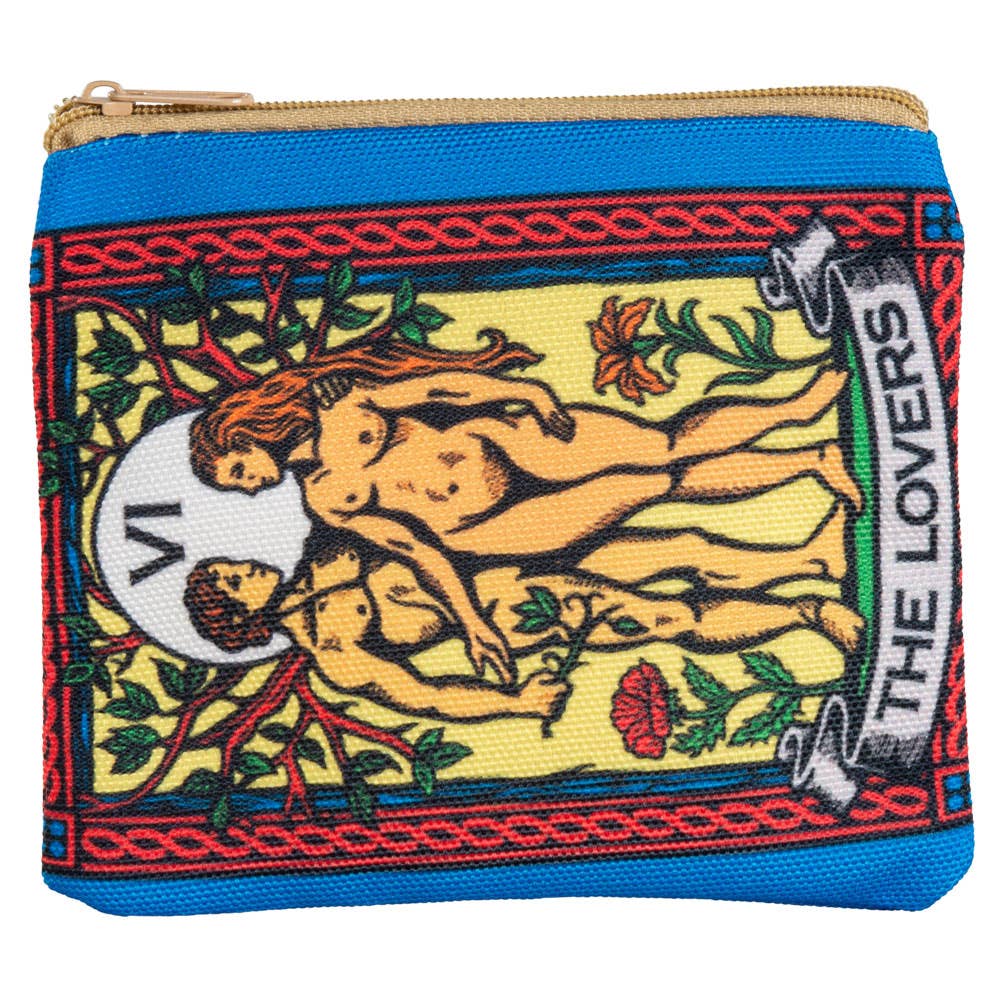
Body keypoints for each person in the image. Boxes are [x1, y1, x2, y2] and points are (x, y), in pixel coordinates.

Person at [189, 332, 860, 679]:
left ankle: (796, 412)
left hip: (501, 442)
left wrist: (519, 391)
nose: (249, 485)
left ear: (247, 432)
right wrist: (471, 624)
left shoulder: (341, 403)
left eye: (238, 470)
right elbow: (416, 548)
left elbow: (440, 390)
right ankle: (808, 462)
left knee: (664, 445)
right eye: (237, 486)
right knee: (654, 485)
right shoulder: (325, 500)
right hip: (495, 530)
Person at [182, 525, 864, 724]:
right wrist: (514, 702)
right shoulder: (335, 652)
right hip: (526, 614)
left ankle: (811, 557)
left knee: (677, 547)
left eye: (232, 564)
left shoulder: (321, 546)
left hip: (526, 547)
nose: (245, 564)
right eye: (234, 580)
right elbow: (428, 696)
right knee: (666, 616)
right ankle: (808, 612)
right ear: (245, 620)